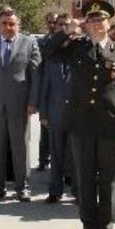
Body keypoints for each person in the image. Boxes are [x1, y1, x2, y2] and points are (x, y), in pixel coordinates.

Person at [42, 0, 115, 229]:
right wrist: (69, 28)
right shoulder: (75, 47)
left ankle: (106, 225)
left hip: (110, 124)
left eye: (101, 20)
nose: (97, 24)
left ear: (110, 23)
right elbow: (47, 51)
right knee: (83, 178)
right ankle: (88, 225)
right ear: (87, 23)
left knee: (108, 178)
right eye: (92, 20)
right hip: (81, 124)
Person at [0, 7, 40, 202]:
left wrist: (33, 102)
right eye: (4, 23)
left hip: (19, 106)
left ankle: (22, 187)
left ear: (18, 25)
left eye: (12, 23)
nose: (8, 27)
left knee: (20, 148)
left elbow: (35, 76)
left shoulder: (30, 43)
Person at [38, 14, 77, 203]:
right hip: (55, 112)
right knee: (56, 154)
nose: (64, 29)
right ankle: (55, 191)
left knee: (77, 155)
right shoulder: (51, 54)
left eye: (67, 26)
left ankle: (78, 190)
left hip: (77, 114)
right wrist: (43, 113)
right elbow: (44, 85)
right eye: (61, 25)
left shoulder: (79, 51)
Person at [35, 12, 60, 172]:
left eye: (55, 22)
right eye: (50, 22)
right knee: (45, 128)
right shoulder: (41, 42)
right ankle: (43, 159)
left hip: (62, 90)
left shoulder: (68, 41)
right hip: (46, 88)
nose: (53, 25)